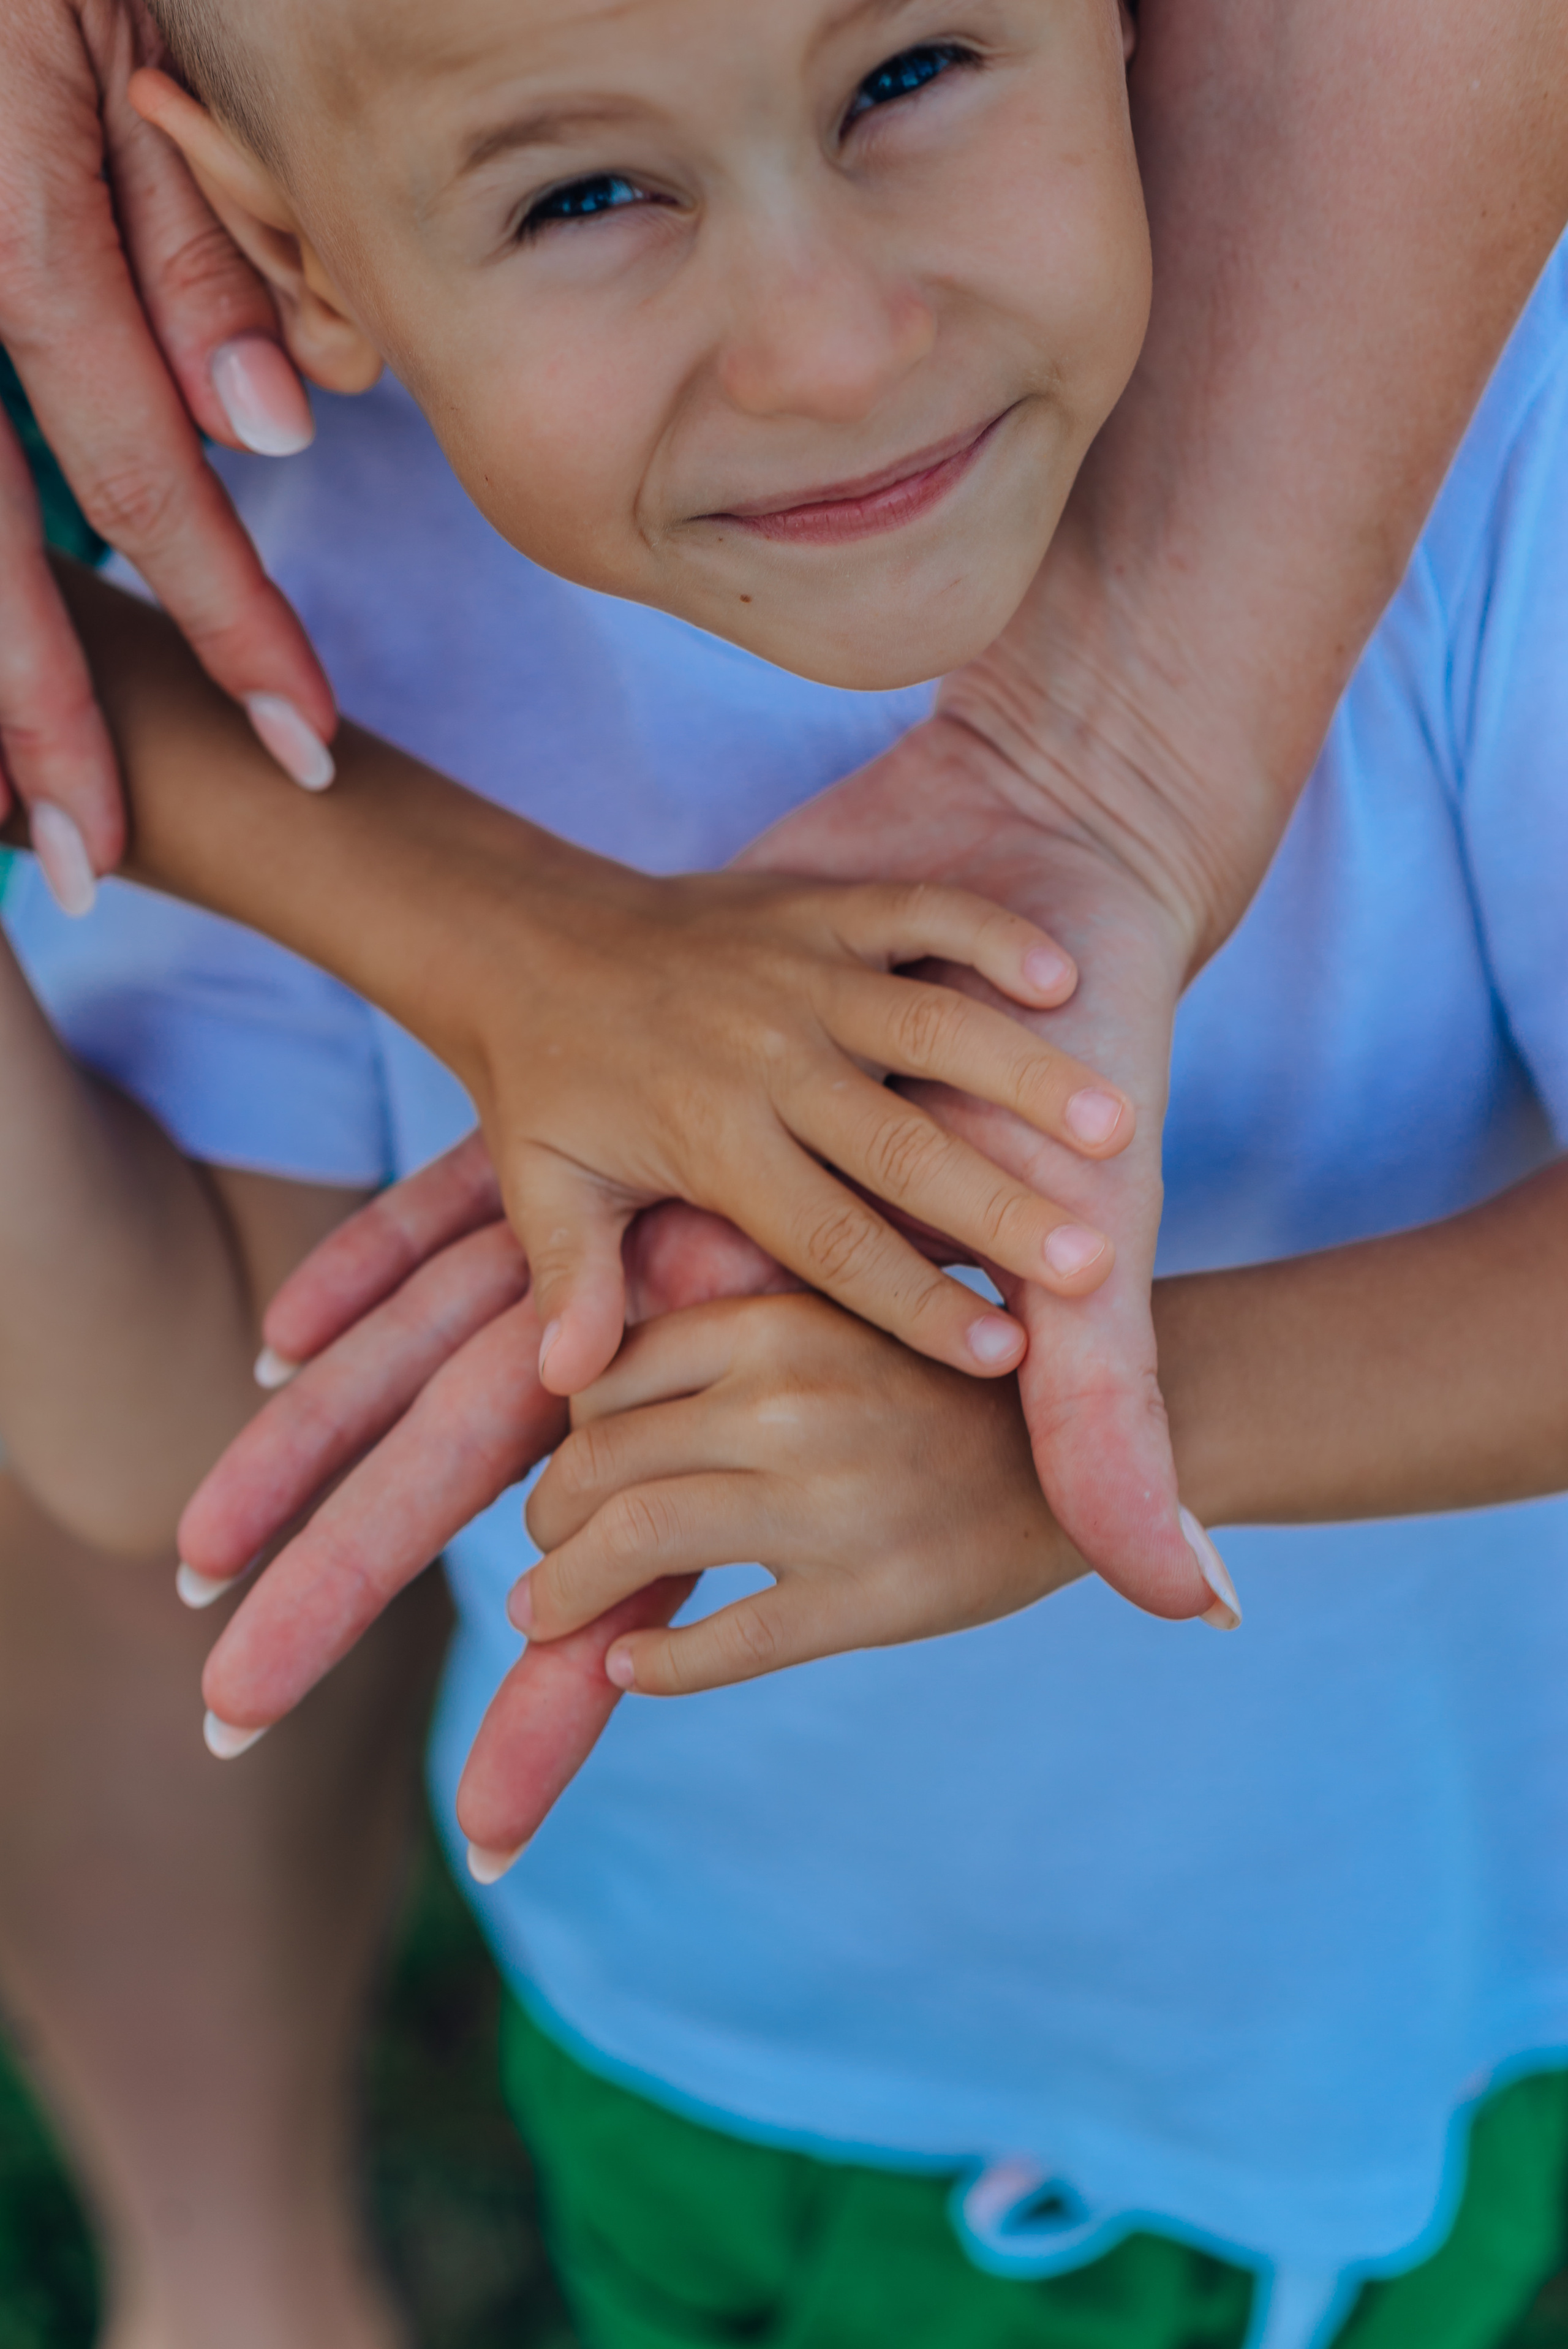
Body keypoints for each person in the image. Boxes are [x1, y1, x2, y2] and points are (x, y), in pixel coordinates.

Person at [17, 120, 1568, 2345]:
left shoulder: (1457, 425)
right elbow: (197, 1420)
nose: (840, 347)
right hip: (697, 2035)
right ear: (291, 250)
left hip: (1321, 2058)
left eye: (919, 64)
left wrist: (1081, 1443)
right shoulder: (302, 591)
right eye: (580, 196)